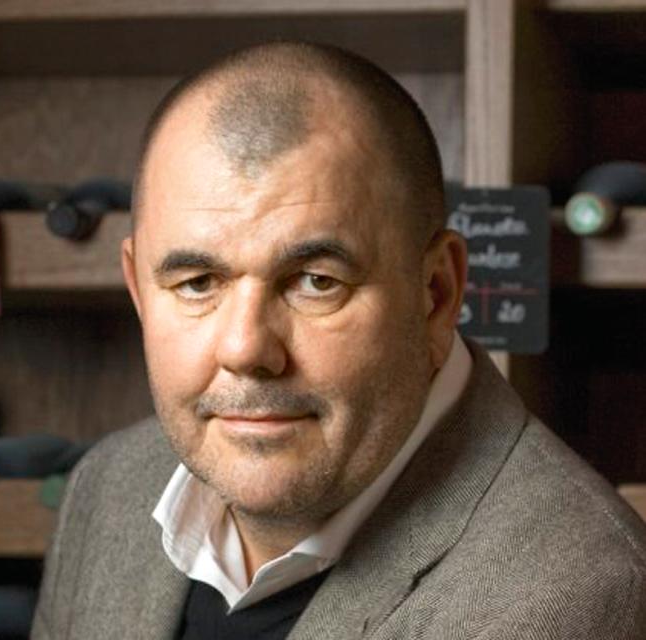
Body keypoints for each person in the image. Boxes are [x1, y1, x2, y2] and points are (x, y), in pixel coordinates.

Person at [32, 42, 646, 639]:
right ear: (139, 292)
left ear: (435, 294)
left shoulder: (568, 596)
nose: (245, 349)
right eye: (197, 283)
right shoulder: (104, 487)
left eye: (316, 282)